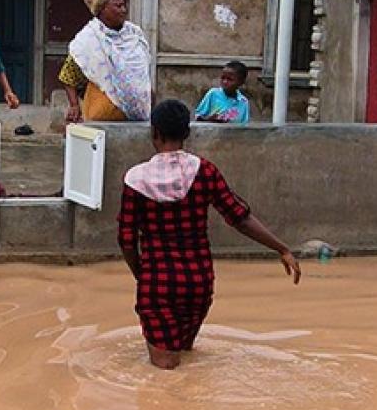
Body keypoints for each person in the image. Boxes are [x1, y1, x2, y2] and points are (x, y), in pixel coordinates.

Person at [117, 99, 301, 370]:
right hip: (199, 283)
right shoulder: (205, 171)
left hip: (158, 283)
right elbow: (240, 217)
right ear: (187, 133)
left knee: (166, 372)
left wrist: (141, 274)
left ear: (154, 133)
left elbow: (126, 239)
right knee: (185, 357)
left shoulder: (135, 180)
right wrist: (282, 248)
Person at [59, 0, 151, 123]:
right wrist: (74, 106)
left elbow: (143, 74)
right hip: (102, 115)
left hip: (138, 114)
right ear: (102, 9)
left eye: (123, 6)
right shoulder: (89, 39)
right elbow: (67, 76)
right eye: (118, 6)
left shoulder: (134, 34)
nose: (123, 10)